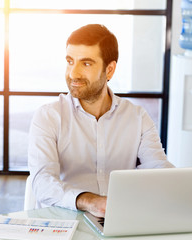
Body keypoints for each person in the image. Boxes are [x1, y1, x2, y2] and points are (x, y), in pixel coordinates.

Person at [27, 24, 174, 218]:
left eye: (86, 63)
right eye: (70, 61)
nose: (73, 73)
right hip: (65, 219)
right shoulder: (48, 117)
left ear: (110, 70)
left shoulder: (137, 117)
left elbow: (157, 168)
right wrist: (90, 201)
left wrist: (179, 186)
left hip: (121, 219)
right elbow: (42, 182)